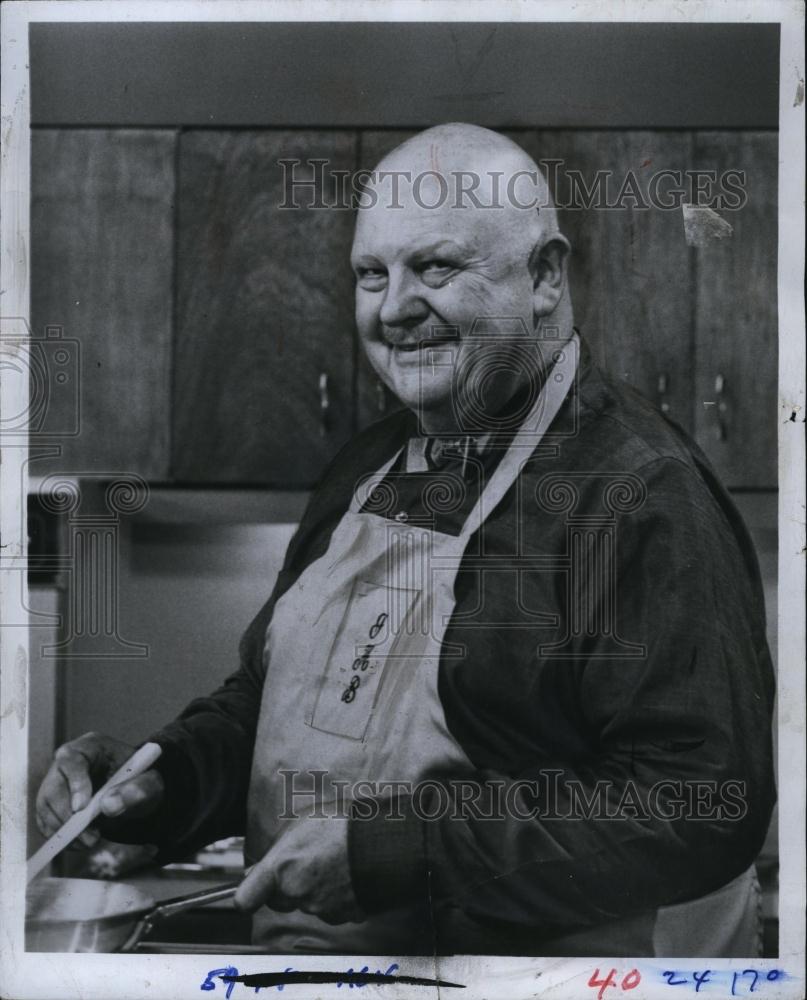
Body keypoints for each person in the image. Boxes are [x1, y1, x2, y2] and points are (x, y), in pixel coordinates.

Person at [36, 124, 775, 957]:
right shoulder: (368, 464)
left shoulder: (638, 490)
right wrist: (162, 779)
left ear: (543, 276)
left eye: (435, 268)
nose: (392, 310)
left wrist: (394, 853)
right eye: (370, 274)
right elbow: (274, 705)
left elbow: (693, 805)